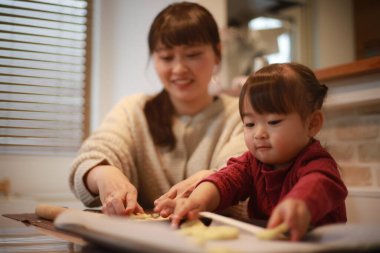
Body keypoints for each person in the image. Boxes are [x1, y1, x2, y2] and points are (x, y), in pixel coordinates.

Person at [69, 2, 247, 216]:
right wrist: (104, 174)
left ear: (217, 53)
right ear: (154, 58)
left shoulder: (241, 116)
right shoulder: (133, 110)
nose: (179, 69)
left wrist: (212, 182)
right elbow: (93, 155)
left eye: (192, 55)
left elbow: (241, 172)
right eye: (166, 57)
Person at [154, 63, 348, 241]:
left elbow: (319, 183)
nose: (259, 134)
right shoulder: (251, 162)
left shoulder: (316, 162)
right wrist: (196, 202)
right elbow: (225, 181)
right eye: (249, 124)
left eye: (273, 122)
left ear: (312, 124)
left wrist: (300, 204)